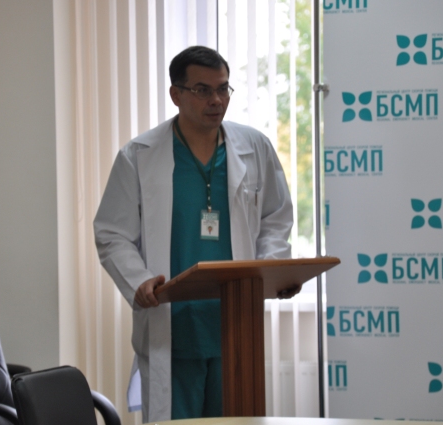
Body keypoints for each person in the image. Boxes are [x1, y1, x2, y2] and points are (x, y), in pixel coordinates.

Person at [94, 45, 293, 422]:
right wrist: (138, 280)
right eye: (203, 90)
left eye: (223, 88)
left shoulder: (255, 147)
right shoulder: (139, 155)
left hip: (234, 323)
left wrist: (273, 269)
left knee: (238, 419)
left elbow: (276, 217)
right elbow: (112, 233)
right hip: (174, 326)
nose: (216, 100)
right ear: (176, 94)